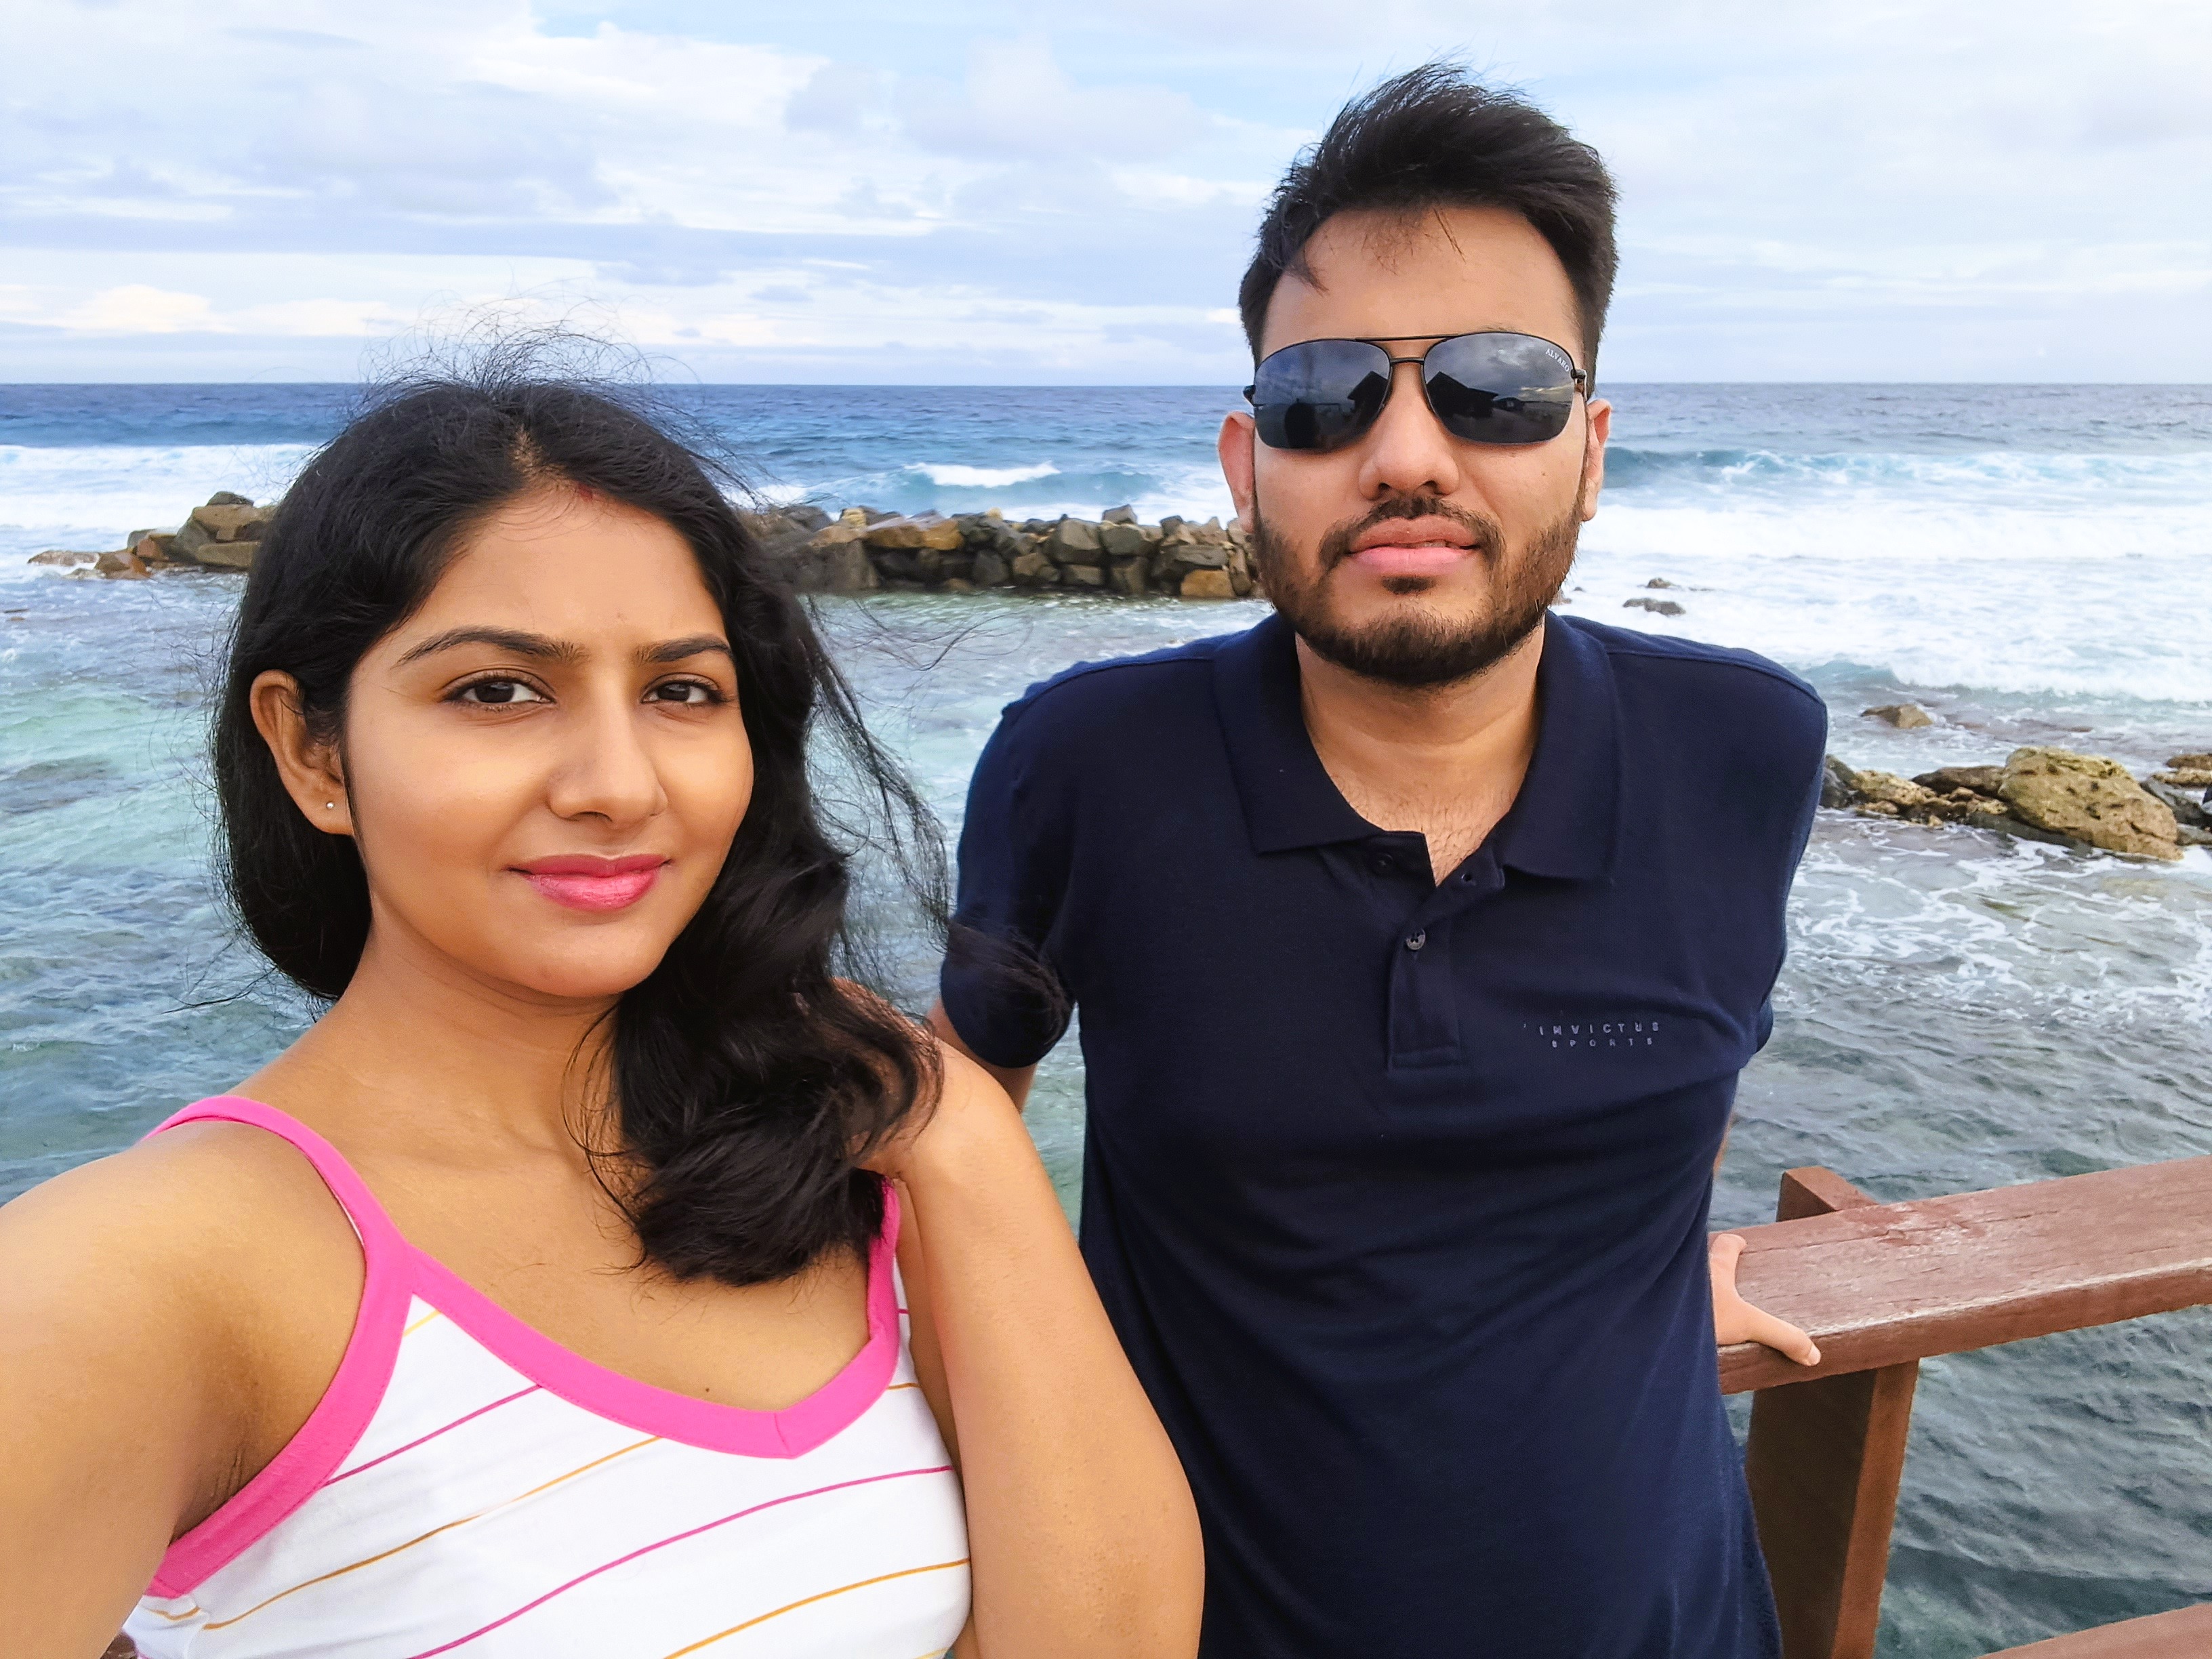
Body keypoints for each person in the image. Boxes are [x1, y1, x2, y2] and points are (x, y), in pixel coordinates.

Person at [0, 364, 1203, 1658]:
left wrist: (957, 1133)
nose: (618, 786)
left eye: (682, 691)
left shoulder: (856, 1166)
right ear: (312, 750)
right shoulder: (150, 1276)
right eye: (497, 690)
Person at [930, 64, 1825, 1658]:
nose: (1407, 452)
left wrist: (1651, 1257)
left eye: (1498, 386)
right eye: (1324, 395)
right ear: (1244, 463)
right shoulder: (1088, 768)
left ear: (1592, 450)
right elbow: (955, 1136)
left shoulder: (1744, 748)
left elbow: (1700, 1044)